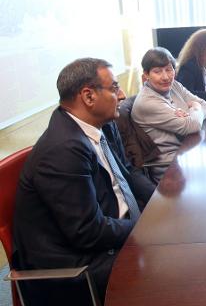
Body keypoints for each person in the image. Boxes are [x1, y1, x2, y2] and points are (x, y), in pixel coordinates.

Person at [12, 58, 155, 305]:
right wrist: (143, 228)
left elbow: (127, 172)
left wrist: (160, 202)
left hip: (113, 231)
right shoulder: (63, 149)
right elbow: (87, 232)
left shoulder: (103, 124)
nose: (121, 95)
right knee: (169, 272)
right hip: (79, 265)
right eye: (114, 88)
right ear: (88, 97)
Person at [132, 47, 206, 182]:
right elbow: (193, 125)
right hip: (171, 169)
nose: (165, 77)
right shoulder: (147, 102)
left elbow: (205, 104)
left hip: (188, 153)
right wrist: (194, 107)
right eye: (157, 71)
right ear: (146, 74)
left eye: (169, 69)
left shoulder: (174, 85)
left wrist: (194, 110)